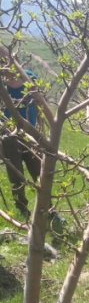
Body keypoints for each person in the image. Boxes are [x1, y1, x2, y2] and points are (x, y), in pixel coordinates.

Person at [0, 68, 41, 218]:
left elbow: (39, 105)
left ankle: (47, 208)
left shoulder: (29, 77)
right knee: (16, 175)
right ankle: (22, 209)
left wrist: (40, 131)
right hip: (8, 136)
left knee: (39, 171)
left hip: (31, 134)